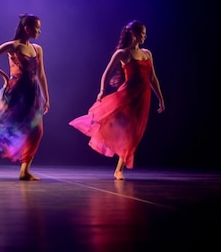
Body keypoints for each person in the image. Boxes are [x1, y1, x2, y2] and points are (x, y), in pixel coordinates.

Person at [69, 20, 165, 180]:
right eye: (142, 32)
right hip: (127, 96)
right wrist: (102, 91)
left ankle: (119, 168)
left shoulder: (147, 53)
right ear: (134, 34)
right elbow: (106, 73)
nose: (145, 36)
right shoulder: (122, 53)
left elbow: (152, 78)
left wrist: (160, 98)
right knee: (120, 127)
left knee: (133, 133)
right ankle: (118, 169)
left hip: (142, 99)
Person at [0, 14, 50, 181]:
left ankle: (24, 169)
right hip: (15, 92)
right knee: (7, 123)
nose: (39, 31)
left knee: (37, 130)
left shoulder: (37, 49)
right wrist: (4, 75)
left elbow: (41, 74)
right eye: (37, 28)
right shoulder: (12, 46)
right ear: (27, 28)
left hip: (32, 94)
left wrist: (46, 97)